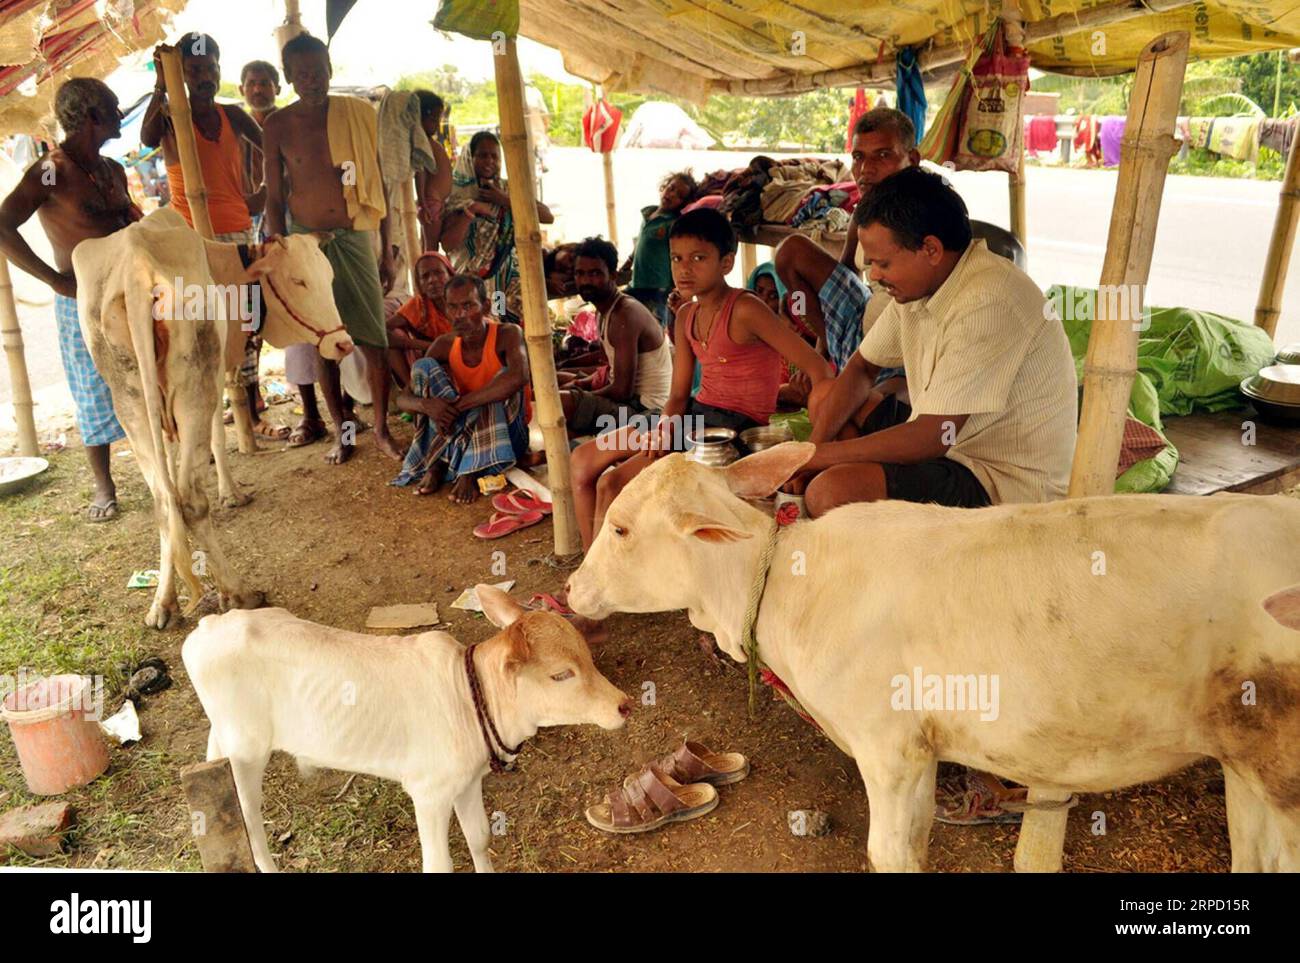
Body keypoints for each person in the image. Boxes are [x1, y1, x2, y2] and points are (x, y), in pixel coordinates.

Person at [565, 209, 832, 641]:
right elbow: (675, 396)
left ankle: (595, 613)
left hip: (731, 428)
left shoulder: (746, 310)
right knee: (585, 462)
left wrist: (816, 438)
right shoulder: (685, 316)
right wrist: (662, 432)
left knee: (611, 485)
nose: (683, 269)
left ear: (726, 263)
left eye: (697, 258)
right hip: (692, 417)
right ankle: (591, 580)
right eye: (676, 258)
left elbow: (818, 367)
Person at [789, 167, 1078, 516]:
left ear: (931, 249)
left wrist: (816, 458)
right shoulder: (918, 287)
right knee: (824, 399)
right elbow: (863, 367)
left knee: (829, 493)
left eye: (882, 264)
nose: (874, 276)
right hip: (949, 447)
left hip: (1001, 480)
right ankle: (864, 492)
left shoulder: (989, 299)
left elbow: (934, 436)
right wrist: (815, 448)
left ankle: (864, 500)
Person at [0, 79, 138, 521]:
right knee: (91, 385)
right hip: (81, 296)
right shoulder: (50, 170)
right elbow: (3, 224)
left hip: (128, 291)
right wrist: (55, 282)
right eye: (113, 108)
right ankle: (104, 485)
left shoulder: (112, 170)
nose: (120, 114)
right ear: (93, 116)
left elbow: (131, 221)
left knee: (143, 374)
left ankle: (160, 457)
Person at [262, 32, 401, 465]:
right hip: (306, 244)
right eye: (301, 74)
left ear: (330, 70)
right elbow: (273, 196)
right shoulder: (278, 125)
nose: (311, 80)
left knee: (373, 337)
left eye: (318, 71)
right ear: (288, 77)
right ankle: (343, 432)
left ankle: (379, 429)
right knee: (322, 342)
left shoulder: (357, 114)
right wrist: (277, 250)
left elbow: (379, 184)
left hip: (356, 235)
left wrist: (388, 247)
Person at [142, 35, 285, 439]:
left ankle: (252, 410)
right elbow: (146, 139)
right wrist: (160, 84)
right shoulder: (171, 117)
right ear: (181, 74)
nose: (204, 77)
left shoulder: (233, 116)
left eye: (210, 68)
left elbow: (273, 153)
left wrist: (262, 193)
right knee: (197, 324)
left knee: (247, 322)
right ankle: (203, 416)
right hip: (192, 239)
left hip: (239, 232)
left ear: (220, 70)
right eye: (194, 70)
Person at [774, 107, 920, 376]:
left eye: (883, 155)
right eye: (858, 157)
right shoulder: (863, 211)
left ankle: (856, 376)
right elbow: (845, 272)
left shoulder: (927, 210)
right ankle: (831, 354)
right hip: (861, 327)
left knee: (842, 410)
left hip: (908, 345)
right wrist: (820, 348)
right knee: (789, 252)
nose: (865, 169)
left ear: (912, 159)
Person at [392, 273, 530, 504]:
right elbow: (402, 399)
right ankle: (438, 464)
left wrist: (460, 405)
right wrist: (428, 405)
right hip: (463, 427)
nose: (460, 315)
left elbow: (520, 376)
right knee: (423, 367)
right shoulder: (444, 344)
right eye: (453, 307)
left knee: (501, 382)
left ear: (485, 306)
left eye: (468, 306)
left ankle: (468, 470)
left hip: (506, 432)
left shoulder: (508, 334)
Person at [559, 236, 672, 436]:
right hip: (628, 401)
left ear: (613, 275)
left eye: (595, 273)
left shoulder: (625, 314)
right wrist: (570, 370)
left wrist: (582, 394)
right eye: (580, 273)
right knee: (558, 380)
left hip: (647, 412)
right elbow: (606, 359)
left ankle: (564, 447)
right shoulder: (604, 310)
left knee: (560, 401)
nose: (585, 281)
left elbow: (622, 391)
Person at [440, 130, 552, 324]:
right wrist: (472, 209)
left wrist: (504, 200)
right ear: (470, 158)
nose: (489, 161)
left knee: (520, 324)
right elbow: (448, 244)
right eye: (482, 155)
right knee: (491, 326)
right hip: (478, 281)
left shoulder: (508, 190)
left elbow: (546, 216)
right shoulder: (459, 195)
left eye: (494, 156)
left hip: (505, 276)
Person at [235, 58, 285, 439]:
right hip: (247, 233)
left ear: (277, 88)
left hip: (284, 231)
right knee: (249, 319)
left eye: (266, 82)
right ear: (241, 90)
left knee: (295, 309)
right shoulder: (234, 131)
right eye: (252, 83)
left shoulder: (287, 124)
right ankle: (249, 401)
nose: (259, 89)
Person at [618, 170, 696, 326]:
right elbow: (641, 242)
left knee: (652, 329)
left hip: (658, 288)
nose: (672, 194)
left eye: (679, 195)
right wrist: (629, 261)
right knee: (620, 315)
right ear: (664, 186)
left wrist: (678, 287)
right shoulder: (648, 214)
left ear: (683, 203)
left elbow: (679, 255)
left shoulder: (673, 224)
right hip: (637, 283)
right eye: (671, 188)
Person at [387, 250, 453, 389]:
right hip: (435, 360)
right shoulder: (419, 305)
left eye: (438, 273)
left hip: (468, 355)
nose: (432, 280)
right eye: (425, 276)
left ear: (450, 275)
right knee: (392, 338)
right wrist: (424, 345)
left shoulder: (463, 297)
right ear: (419, 283)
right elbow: (384, 331)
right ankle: (411, 389)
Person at [414, 91, 452, 252]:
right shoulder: (423, 144)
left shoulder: (429, 142)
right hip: (431, 203)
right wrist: (423, 203)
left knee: (428, 247)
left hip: (435, 202)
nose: (437, 125)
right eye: (433, 119)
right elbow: (420, 172)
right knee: (431, 249)